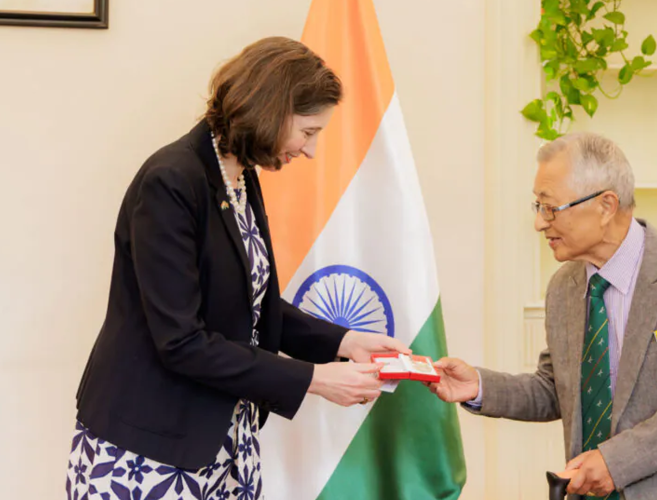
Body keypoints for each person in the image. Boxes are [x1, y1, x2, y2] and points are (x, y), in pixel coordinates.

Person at [66, 37, 409, 500]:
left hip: (224, 437)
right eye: (308, 132)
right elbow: (182, 342)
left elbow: (254, 304)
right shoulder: (171, 181)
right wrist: (313, 379)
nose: (310, 151)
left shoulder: (241, 175)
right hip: (150, 445)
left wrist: (345, 341)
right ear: (270, 110)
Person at [429, 133, 657, 499]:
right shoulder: (563, 289)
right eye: (537, 206)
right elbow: (557, 388)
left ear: (605, 205)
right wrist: (480, 387)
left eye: (550, 207)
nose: (539, 222)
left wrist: (617, 460)